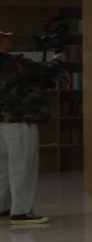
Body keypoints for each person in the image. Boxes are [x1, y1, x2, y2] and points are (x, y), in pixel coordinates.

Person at [0, 30, 56, 228]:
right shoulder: (17, 64)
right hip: (18, 121)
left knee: (3, 168)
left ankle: (2, 208)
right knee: (23, 166)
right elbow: (46, 73)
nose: (9, 40)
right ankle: (21, 212)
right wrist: (57, 61)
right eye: (5, 37)